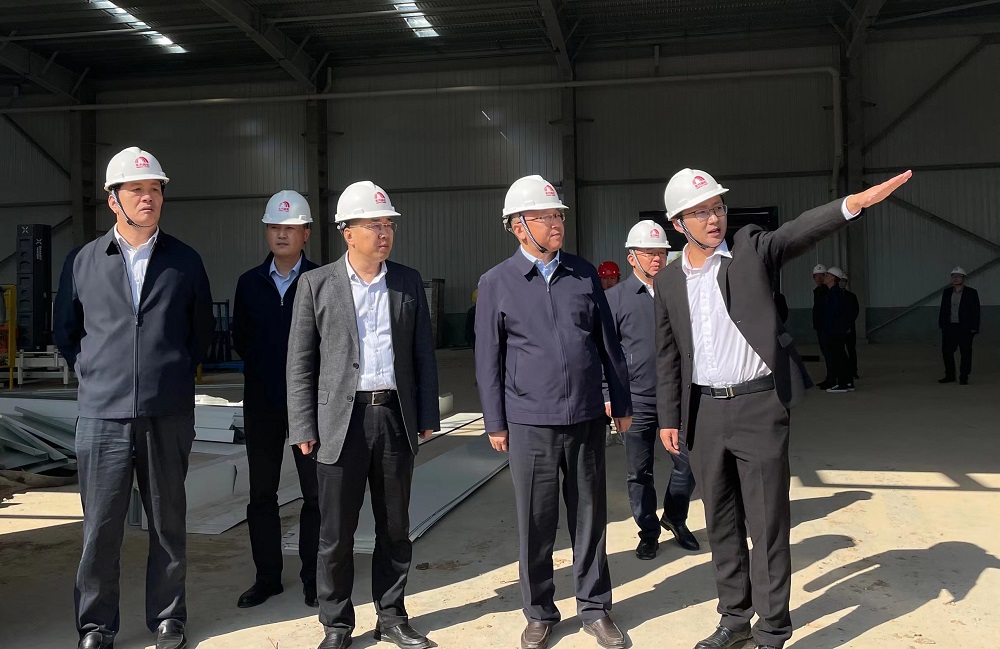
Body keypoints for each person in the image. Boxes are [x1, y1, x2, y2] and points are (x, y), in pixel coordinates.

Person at [653, 167, 911, 649]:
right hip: (704, 412)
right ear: (677, 223)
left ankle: (772, 630)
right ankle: (734, 619)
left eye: (718, 207)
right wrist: (670, 417)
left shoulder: (750, 251)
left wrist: (852, 205)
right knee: (720, 522)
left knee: (767, 523)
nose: (714, 218)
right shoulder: (668, 281)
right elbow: (668, 354)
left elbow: (796, 232)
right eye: (701, 212)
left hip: (758, 406)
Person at [54, 147, 215, 649]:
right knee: (100, 527)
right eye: (137, 190)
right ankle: (96, 625)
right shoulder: (83, 261)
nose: (148, 198)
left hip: (166, 413)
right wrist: (98, 373)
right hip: (102, 416)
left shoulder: (185, 261)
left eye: (155, 190)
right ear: (113, 200)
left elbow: (200, 334)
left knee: (168, 522)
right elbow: (65, 333)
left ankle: (168, 618)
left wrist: (167, 375)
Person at [476, 175, 632, 649]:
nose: (556, 223)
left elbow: (607, 344)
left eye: (558, 214)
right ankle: (539, 612)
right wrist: (495, 421)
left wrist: (620, 402)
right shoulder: (497, 282)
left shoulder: (582, 274)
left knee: (590, 517)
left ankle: (595, 607)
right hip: (529, 422)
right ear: (517, 226)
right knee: (536, 522)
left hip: (585, 417)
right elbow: (487, 359)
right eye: (544, 216)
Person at [286, 181, 440, 649]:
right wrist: (303, 424)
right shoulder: (316, 284)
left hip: (393, 417)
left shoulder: (407, 281)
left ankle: (391, 617)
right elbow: (300, 362)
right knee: (336, 533)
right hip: (341, 423)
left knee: (395, 527)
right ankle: (336, 624)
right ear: (347, 232)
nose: (384, 233)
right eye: (374, 225)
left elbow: (423, 355)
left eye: (388, 224)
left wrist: (427, 414)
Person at [231, 190, 321, 609]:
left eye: (290, 227)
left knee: (315, 494)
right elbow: (241, 338)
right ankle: (266, 578)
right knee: (262, 494)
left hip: (311, 405)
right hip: (263, 402)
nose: (281, 234)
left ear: (306, 233)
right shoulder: (249, 283)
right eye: (274, 227)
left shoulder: (322, 280)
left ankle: (313, 577)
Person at [605, 220, 698, 561]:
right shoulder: (614, 299)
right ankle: (648, 533)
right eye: (649, 253)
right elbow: (604, 352)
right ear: (632, 257)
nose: (657, 259)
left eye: (661, 252)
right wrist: (607, 394)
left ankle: (674, 516)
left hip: (677, 397)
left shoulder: (681, 291)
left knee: (689, 462)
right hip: (636, 400)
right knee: (639, 472)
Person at [938, 266, 980, 385]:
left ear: (964, 278)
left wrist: (974, 328)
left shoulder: (971, 293)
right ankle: (950, 375)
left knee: (965, 353)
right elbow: (943, 309)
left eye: (958, 276)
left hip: (965, 328)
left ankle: (964, 377)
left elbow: (976, 311)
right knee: (947, 351)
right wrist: (942, 325)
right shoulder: (947, 292)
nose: (955, 278)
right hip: (950, 326)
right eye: (954, 276)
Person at [822, 267, 853, 393]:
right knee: (842, 356)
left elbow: (836, 315)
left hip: (835, 332)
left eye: (827, 275)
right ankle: (848, 382)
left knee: (838, 357)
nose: (825, 277)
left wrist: (831, 331)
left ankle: (842, 383)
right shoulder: (836, 293)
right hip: (838, 331)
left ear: (832, 278)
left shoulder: (834, 294)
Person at [811, 263, 832, 388]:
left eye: (821, 276)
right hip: (821, 327)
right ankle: (830, 377)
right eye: (816, 276)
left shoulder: (825, 292)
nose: (819, 278)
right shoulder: (818, 292)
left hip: (826, 328)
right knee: (826, 353)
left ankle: (831, 378)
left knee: (829, 353)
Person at [843, 273, 860, 381]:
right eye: (840, 281)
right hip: (838, 328)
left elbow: (855, 311)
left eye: (844, 281)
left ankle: (854, 371)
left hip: (850, 328)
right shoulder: (834, 296)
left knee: (851, 350)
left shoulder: (851, 296)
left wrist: (849, 323)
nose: (842, 283)